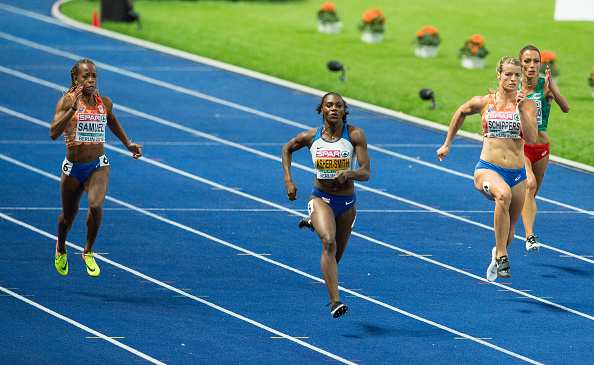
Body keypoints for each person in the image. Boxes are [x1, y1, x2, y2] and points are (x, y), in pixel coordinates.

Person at [437, 56, 538, 282]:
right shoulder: (484, 102)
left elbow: (531, 139)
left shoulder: (528, 104)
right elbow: (461, 112)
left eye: (517, 75)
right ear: (499, 75)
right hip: (487, 169)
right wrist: (447, 143)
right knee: (503, 195)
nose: (513, 79)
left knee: (511, 228)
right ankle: (502, 254)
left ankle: (497, 253)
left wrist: (520, 109)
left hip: (517, 173)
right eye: (508, 74)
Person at [50, 59, 143, 277]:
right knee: (68, 217)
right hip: (73, 168)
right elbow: (53, 133)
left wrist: (128, 143)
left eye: (94, 76)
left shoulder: (104, 103)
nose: (91, 80)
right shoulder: (66, 102)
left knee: (95, 205)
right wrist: (72, 110)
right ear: (76, 79)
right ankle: (61, 247)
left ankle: (88, 251)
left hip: (97, 166)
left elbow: (112, 121)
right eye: (86, 76)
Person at [282, 92, 370, 317]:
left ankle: (315, 222)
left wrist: (349, 173)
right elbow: (287, 149)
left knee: (335, 258)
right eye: (329, 106)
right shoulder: (311, 137)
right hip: (321, 198)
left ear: (344, 110)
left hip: (347, 203)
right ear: (321, 109)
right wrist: (288, 180)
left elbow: (366, 172)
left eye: (338, 106)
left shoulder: (355, 135)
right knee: (328, 243)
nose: (334, 109)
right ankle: (335, 302)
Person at [518, 45, 570, 252]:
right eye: (527, 61)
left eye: (536, 61)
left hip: (541, 148)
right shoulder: (514, 86)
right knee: (529, 185)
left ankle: (514, 218)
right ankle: (530, 236)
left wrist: (554, 88)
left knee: (531, 193)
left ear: (541, 64)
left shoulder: (545, 86)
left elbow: (566, 108)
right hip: (520, 147)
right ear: (520, 63)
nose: (532, 65)